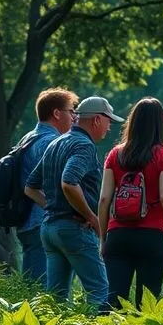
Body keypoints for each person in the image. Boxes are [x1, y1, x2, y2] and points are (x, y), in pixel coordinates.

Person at [25, 96, 121, 310]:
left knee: (55, 300)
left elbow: (30, 188)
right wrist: (92, 217)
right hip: (74, 229)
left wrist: (54, 208)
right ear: (97, 120)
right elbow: (69, 182)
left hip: (49, 229)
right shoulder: (84, 146)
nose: (109, 128)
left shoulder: (56, 143)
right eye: (108, 121)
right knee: (101, 293)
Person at [97, 98, 163, 311]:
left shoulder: (115, 154)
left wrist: (103, 238)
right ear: (161, 124)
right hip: (151, 236)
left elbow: (104, 199)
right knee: (147, 304)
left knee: (115, 299)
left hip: (118, 235)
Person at [16, 88, 79, 283]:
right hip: (42, 220)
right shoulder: (52, 142)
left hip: (26, 219)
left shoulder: (27, 138)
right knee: (44, 288)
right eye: (71, 111)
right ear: (57, 113)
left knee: (33, 283)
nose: (74, 117)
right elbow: (61, 185)